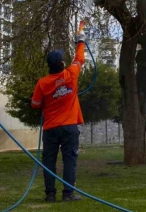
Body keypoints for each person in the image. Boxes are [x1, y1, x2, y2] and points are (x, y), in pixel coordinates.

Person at [31, 30, 86, 202]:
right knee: (70, 160)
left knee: (49, 161)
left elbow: (35, 105)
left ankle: (50, 195)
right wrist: (81, 41)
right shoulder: (71, 74)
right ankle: (68, 194)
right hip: (69, 127)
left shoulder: (42, 83)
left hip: (50, 129)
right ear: (63, 64)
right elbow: (79, 59)